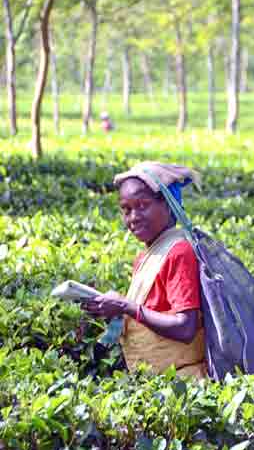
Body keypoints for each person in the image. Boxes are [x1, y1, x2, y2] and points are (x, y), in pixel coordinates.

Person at [81, 162, 206, 378]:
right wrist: (108, 309)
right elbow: (147, 315)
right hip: (150, 379)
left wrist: (125, 305)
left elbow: (185, 328)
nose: (133, 217)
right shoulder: (145, 257)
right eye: (126, 209)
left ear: (168, 205)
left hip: (181, 381)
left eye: (142, 205)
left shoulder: (179, 252)